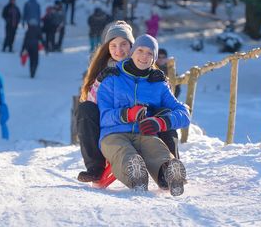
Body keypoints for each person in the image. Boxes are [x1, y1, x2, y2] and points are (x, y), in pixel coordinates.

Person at [97, 34, 190, 196]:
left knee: (157, 149)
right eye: (140, 50)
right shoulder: (112, 79)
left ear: (154, 59)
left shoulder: (158, 84)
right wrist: (126, 114)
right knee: (123, 152)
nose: (144, 56)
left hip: (144, 133)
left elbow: (184, 113)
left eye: (150, 53)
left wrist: (161, 123)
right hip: (113, 134)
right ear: (132, 52)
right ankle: (135, 174)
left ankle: (170, 174)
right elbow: (103, 116)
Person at [76, 21, 135, 183]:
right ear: (107, 48)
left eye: (123, 44)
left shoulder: (142, 64)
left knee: (165, 113)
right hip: (109, 121)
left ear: (131, 45)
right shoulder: (102, 69)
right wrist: (99, 82)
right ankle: (95, 167)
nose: (118, 50)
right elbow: (90, 102)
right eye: (113, 45)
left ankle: (170, 167)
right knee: (85, 109)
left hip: (136, 118)